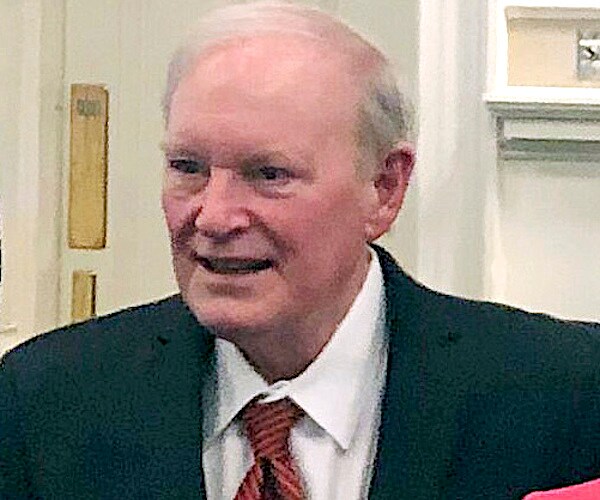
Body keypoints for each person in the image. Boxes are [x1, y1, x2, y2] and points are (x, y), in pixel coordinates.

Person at [1, 2, 600, 499]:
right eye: (188, 167)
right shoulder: (47, 401)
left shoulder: (564, 397)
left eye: (269, 174)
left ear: (384, 188)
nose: (213, 216)